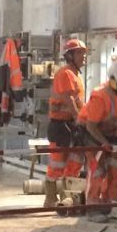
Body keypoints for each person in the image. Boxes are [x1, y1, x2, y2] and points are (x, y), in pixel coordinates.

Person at [77, 61, 117, 223]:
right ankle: (92, 208)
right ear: (114, 82)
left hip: (112, 135)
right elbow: (91, 126)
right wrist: (103, 143)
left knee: (115, 169)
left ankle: (111, 205)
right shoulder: (100, 96)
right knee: (97, 170)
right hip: (93, 134)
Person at [44, 38, 87, 208]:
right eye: (79, 53)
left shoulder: (75, 75)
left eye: (83, 54)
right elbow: (68, 98)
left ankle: (66, 199)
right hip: (61, 126)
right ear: (70, 56)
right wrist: (79, 117)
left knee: (74, 163)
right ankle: (50, 199)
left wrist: (85, 117)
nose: (83, 57)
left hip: (72, 125)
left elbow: (77, 100)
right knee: (57, 164)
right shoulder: (66, 74)